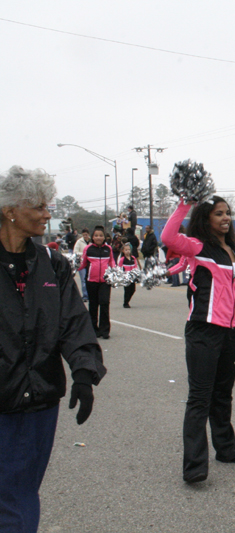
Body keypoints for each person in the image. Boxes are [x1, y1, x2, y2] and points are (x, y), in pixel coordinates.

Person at [0, 165, 106, 531]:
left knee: (21, 491)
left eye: (48, 205)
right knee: (9, 497)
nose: (48, 214)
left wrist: (83, 373)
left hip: (39, 402)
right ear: (10, 210)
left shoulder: (52, 264)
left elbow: (74, 324)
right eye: (39, 206)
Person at [161, 196, 235, 483]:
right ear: (205, 218)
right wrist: (184, 204)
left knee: (223, 395)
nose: (225, 218)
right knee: (200, 398)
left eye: (227, 213)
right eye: (218, 214)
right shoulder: (198, 247)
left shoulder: (234, 249)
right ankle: (194, 466)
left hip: (231, 331)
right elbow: (167, 236)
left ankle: (225, 449)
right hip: (204, 329)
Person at [79, 226, 116, 339]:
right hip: (91, 281)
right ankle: (93, 330)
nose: (98, 237)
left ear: (104, 237)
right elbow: (83, 264)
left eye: (101, 235)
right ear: (92, 237)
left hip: (105, 281)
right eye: (96, 235)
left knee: (104, 303)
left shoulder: (108, 248)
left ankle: (105, 330)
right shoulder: (88, 249)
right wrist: (71, 269)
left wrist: (115, 271)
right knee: (93, 305)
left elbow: (112, 262)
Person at [73, 228, 91, 302]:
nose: (85, 236)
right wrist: (83, 254)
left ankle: (90, 294)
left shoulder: (91, 241)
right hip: (82, 262)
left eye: (86, 235)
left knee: (89, 279)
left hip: (90, 263)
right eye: (84, 235)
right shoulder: (79, 242)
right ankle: (85, 295)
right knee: (83, 279)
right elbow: (75, 251)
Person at [120, 243, 140, 308]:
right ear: (123, 251)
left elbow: (135, 266)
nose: (128, 251)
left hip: (132, 276)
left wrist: (136, 273)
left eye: (129, 249)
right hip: (126, 277)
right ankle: (125, 303)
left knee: (133, 290)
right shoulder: (122, 259)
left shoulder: (133, 258)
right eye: (126, 250)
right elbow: (119, 267)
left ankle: (128, 300)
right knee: (127, 290)